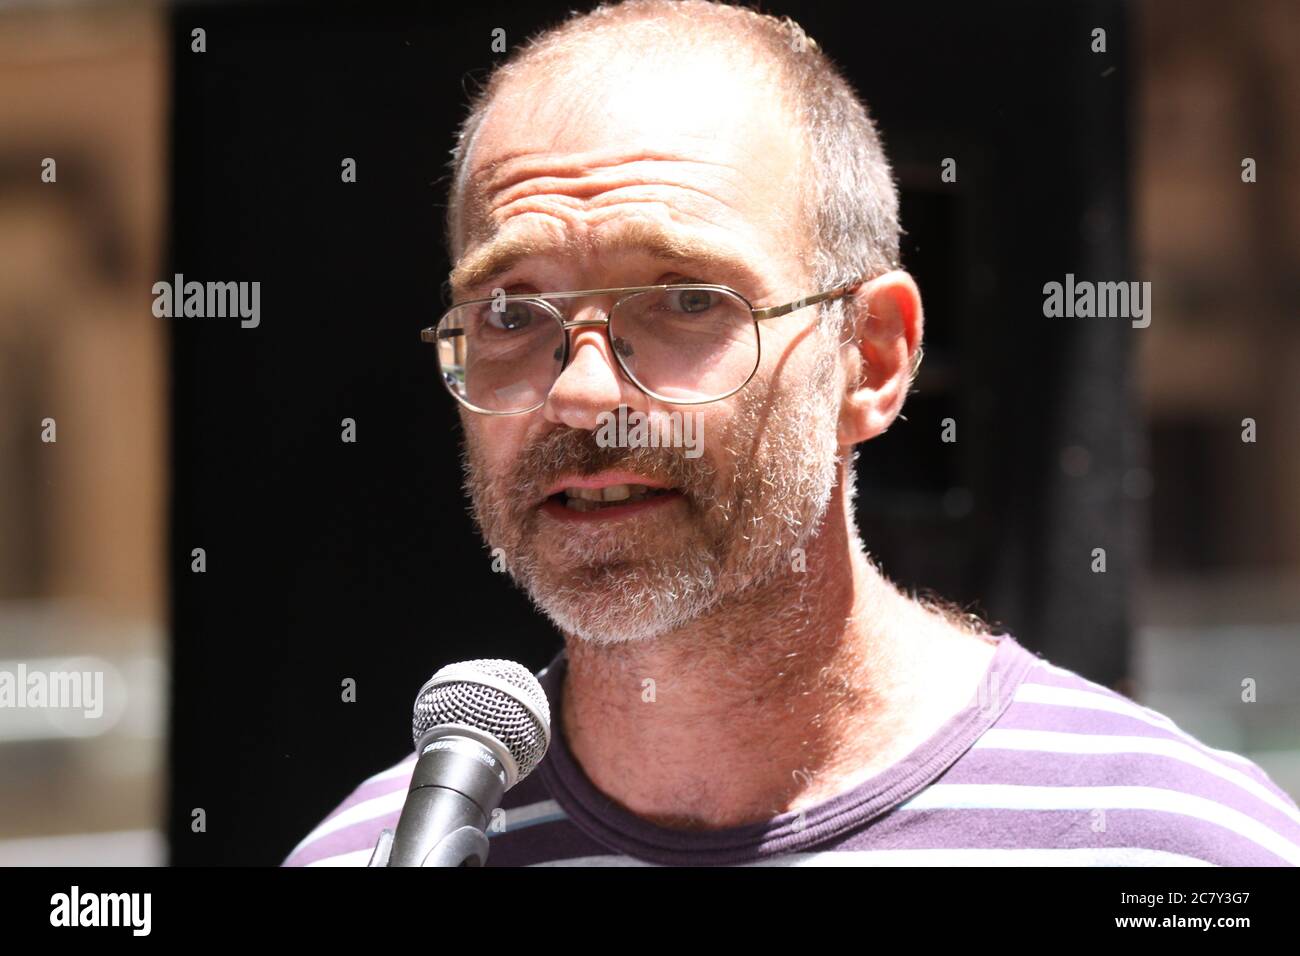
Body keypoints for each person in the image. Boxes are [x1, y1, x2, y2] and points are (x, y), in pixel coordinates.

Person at [284, 0, 1300, 866]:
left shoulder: (1170, 847)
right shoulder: (375, 852)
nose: (582, 392)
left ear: (872, 355)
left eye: (683, 299)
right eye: (510, 313)